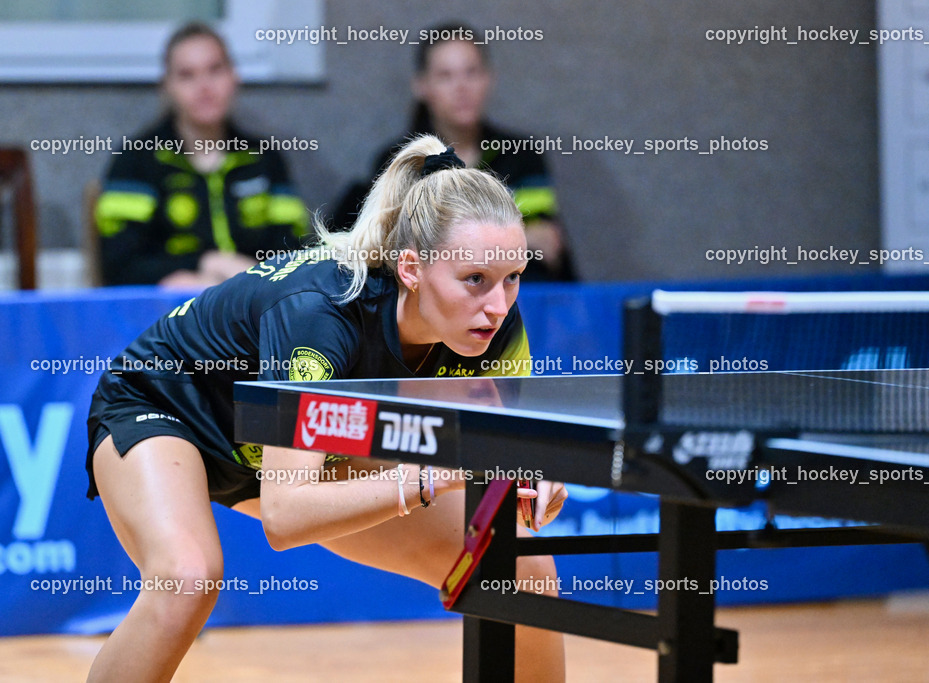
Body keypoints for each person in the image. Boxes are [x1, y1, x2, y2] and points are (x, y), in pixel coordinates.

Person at [85, 134, 568, 682]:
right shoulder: (320, 319)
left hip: (281, 442)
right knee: (187, 581)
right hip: (167, 405)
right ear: (411, 268)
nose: (498, 306)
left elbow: (513, 460)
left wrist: (538, 482)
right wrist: (432, 477)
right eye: (474, 280)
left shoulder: (499, 330)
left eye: (512, 280)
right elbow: (286, 517)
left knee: (517, 563)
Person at [332, 21, 576, 282]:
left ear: (488, 78)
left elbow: (546, 245)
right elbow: (399, 254)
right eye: (445, 76)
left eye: (471, 72)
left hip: (513, 302)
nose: (461, 87)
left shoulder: (521, 155)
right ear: (422, 86)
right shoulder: (400, 160)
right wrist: (513, 239)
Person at [94, 22, 307, 288]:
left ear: (234, 76)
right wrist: (207, 264)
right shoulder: (136, 160)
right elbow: (119, 267)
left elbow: (297, 257)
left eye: (215, 70)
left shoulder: (265, 158)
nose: (204, 86)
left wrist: (248, 276)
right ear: (167, 86)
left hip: (257, 313)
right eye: (187, 75)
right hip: (167, 318)